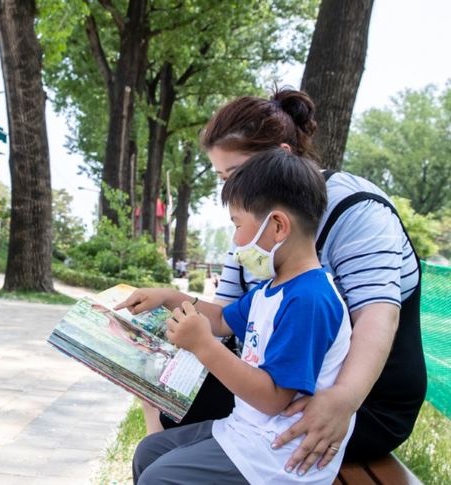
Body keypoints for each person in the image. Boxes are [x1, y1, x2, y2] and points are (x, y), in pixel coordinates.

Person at [117, 88, 426, 475]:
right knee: (170, 398)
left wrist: (342, 400)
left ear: (280, 158)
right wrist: (169, 307)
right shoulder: (252, 224)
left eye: (235, 176)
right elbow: (228, 318)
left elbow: (378, 317)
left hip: (359, 398)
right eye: (222, 179)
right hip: (278, 386)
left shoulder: (356, 209)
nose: (229, 192)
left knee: (172, 451)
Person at [133, 149, 353, 484]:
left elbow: (272, 399)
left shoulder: (309, 300)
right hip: (246, 432)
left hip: (278, 457)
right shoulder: (271, 289)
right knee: (149, 453)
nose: (235, 241)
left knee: (159, 478)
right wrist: (167, 297)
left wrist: (204, 346)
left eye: (238, 225)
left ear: (277, 226)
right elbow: (220, 320)